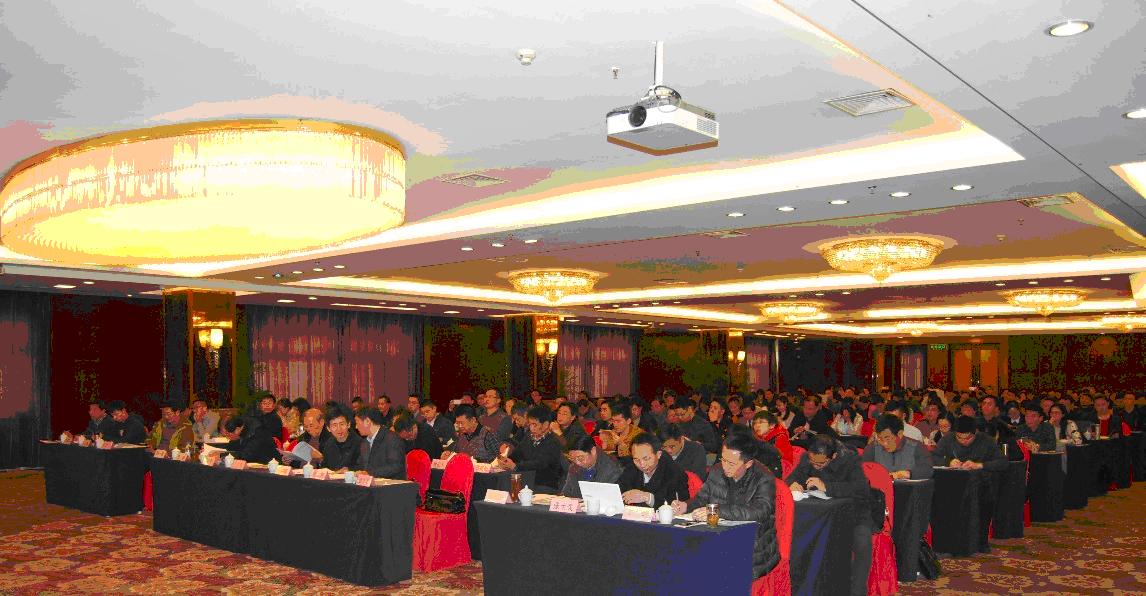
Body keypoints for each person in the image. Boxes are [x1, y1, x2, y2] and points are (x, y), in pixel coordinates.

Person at [671, 427, 780, 583]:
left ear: (748, 463)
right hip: (719, 536)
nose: (725, 466)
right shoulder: (716, 471)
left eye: (731, 463)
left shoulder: (764, 478)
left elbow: (760, 511)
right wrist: (686, 506)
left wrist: (719, 511)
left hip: (753, 546)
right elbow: (701, 499)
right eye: (723, 459)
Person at [785, 435, 872, 595]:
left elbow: (861, 489)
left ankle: (857, 591)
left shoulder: (850, 460)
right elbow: (792, 478)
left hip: (853, 514)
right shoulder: (808, 458)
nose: (816, 466)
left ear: (833, 456)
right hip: (821, 515)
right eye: (813, 462)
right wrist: (792, 484)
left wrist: (827, 487)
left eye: (821, 464)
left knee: (862, 541)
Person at [496, 406, 564, 492]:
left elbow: (540, 463)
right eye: (530, 424)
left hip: (544, 484)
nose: (531, 428)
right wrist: (506, 461)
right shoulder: (529, 436)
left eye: (535, 425)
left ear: (546, 424)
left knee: (512, 486)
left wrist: (516, 466)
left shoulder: (553, 442)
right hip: (526, 479)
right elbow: (517, 453)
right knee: (501, 483)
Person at [619, 432, 690, 507]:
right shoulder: (632, 467)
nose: (642, 464)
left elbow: (679, 506)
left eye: (646, 458)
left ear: (658, 454)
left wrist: (649, 498)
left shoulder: (675, 473)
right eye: (636, 459)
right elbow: (619, 489)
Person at [862, 414, 934, 480]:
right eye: (880, 438)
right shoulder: (872, 448)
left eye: (887, 439)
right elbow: (863, 471)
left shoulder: (916, 447)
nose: (884, 443)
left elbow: (928, 470)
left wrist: (907, 474)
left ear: (900, 434)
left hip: (908, 488)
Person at [931, 416, 1007, 471]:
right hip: (954, 478)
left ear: (975, 433)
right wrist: (948, 462)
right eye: (959, 438)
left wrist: (979, 465)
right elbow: (933, 458)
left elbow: (1003, 461)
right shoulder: (948, 439)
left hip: (981, 480)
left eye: (968, 438)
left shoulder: (986, 440)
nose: (963, 441)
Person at [354, 407, 406, 480]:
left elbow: (395, 466)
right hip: (371, 483)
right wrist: (349, 470)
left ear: (367, 421)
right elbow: (361, 465)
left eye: (357, 423)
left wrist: (370, 473)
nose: (356, 427)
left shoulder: (392, 439)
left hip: (391, 484)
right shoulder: (365, 442)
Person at [319, 406, 362, 471]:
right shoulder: (328, 444)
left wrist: (350, 469)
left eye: (342, 424)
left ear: (348, 424)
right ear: (328, 428)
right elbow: (324, 467)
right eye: (334, 425)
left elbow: (364, 467)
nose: (339, 429)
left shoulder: (360, 444)